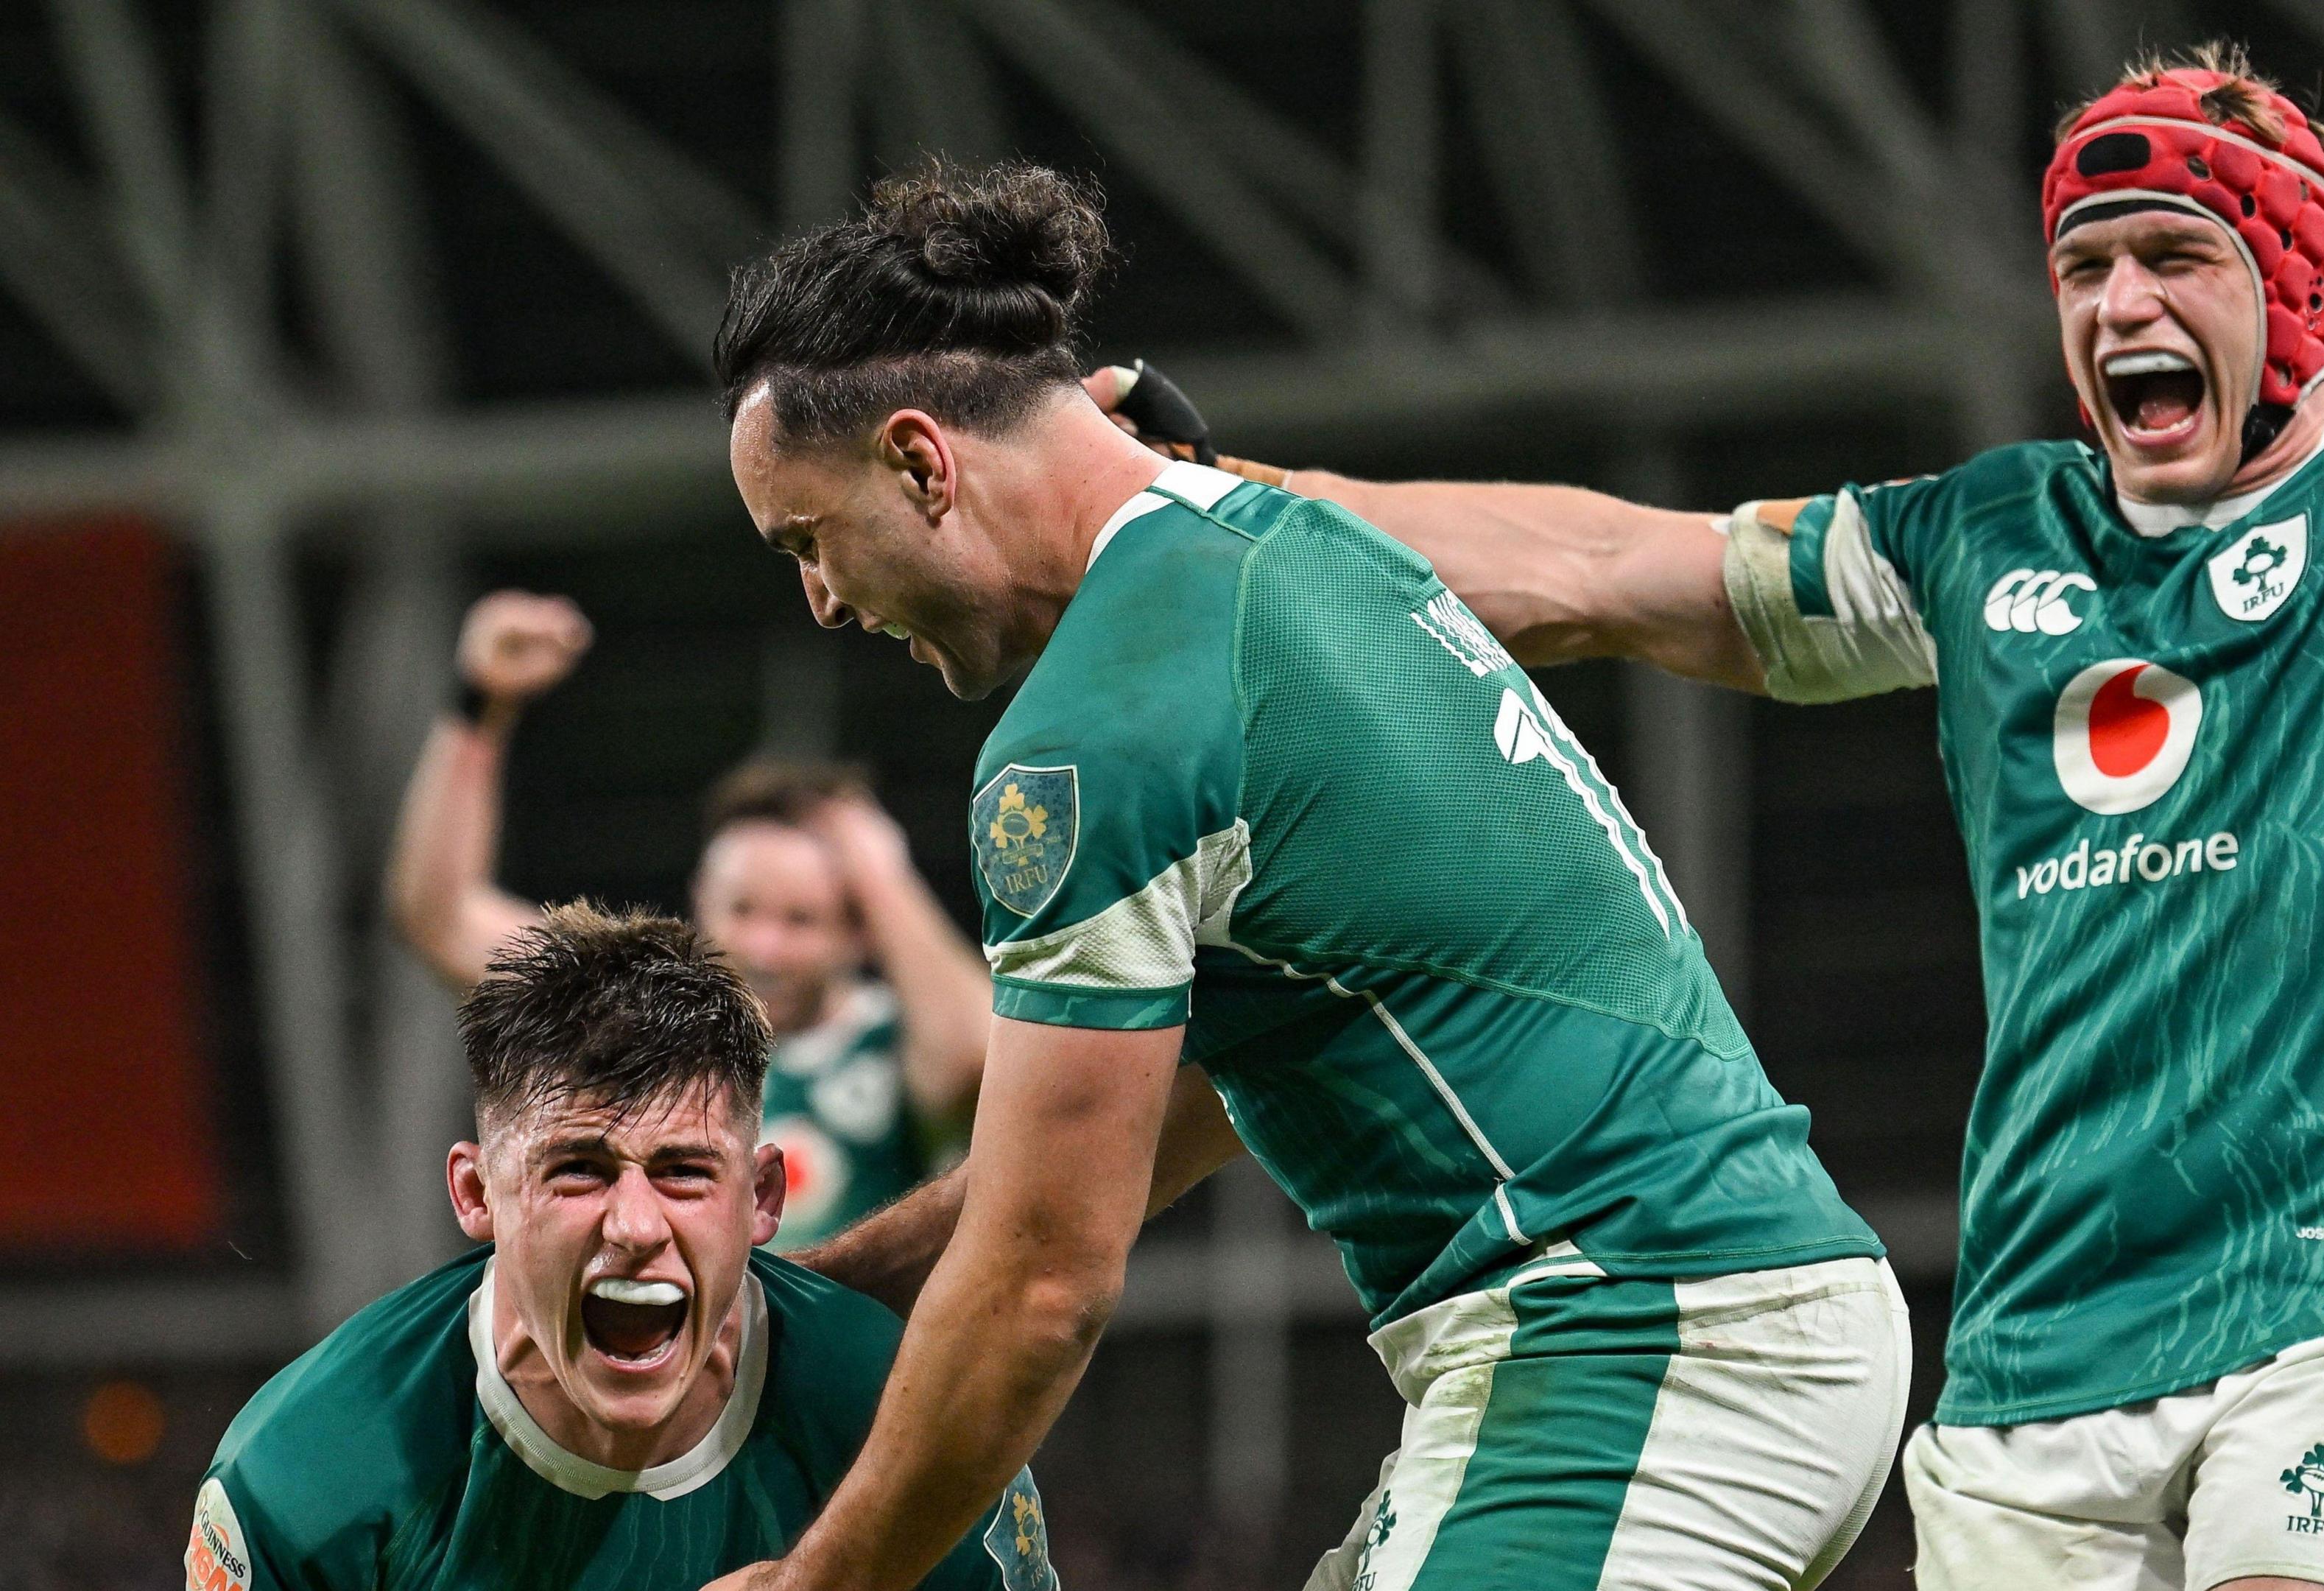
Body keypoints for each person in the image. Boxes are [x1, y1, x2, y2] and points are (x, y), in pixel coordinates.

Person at [1120, 41, 2324, 1591]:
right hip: (2028, 1378)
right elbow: (1591, 570)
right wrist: (1208, 497)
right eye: (2083, 268)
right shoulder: (1979, 539)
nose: (2111, 304)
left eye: (2171, 255)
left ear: (2292, 288)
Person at [698, 160, 1908, 1591]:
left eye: (809, 542)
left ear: (920, 462)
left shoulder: (1098, 736)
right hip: (1710, 1322)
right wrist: (822, 1291)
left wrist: (821, 1577)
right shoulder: (1309, 548)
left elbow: (1039, 1291)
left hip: (1632, 1345)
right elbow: (1152, 1127)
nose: (822, 600)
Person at [183, 904, 1057, 1591]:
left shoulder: (919, 1436)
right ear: (477, 1192)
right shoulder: (307, 1475)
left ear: (761, 1199)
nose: (635, 1228)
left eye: (681, 1171)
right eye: (578, 1170)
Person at [385, 594, 993, 1246]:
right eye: (742, 910)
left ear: (860, 932)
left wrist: (882, 874)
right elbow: (442, 916)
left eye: (801, 921)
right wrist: (480, 707)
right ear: (701, 898)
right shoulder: (643, 1011)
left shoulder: (894, 1040)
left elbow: (976, 1059)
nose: (764, 944)